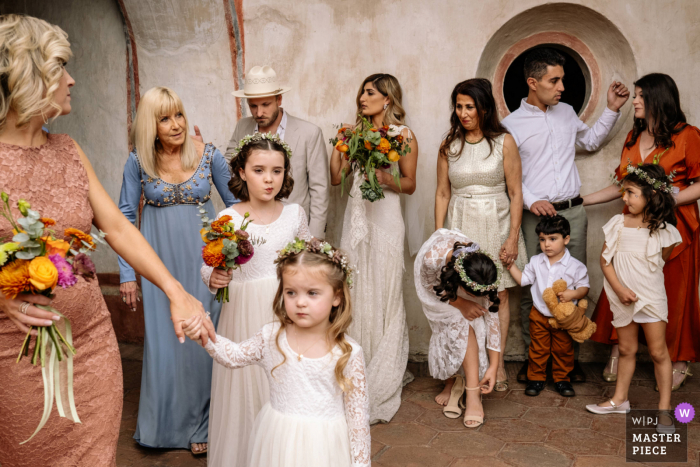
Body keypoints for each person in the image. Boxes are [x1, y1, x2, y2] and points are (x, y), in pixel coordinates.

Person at [0, 14, 213, 465]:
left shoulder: (69, 151)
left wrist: (175, 292)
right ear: (29, 77)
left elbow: (117, 227)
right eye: (61, 69)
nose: (73, 80)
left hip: (92, 342)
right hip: (12, 353)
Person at [117, 86, 238, 453]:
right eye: (164, 118)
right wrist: (127, 274)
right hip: (158, 267)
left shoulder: (209, 154)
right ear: (150, 126)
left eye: (179, 115)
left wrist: (233, 258)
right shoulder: (138, 161)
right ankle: (163, 426)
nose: (175, 125)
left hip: (206, 263)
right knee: (166, 343)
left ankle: (204, 425)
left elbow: (236, 206)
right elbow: (122, 217)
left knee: (204, 338)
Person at [501, 47, 629, 383]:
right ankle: (536, 363)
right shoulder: (510, 125)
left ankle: (565, 364)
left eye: (562, 80)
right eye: (553, 80)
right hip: (534, 219)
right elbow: (507, 173)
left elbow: (590, 141)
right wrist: (530, 200)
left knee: (572, 285)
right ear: (532, 82)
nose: (561, 87)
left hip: (573, 214)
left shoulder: (568, 111)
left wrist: (611, 110)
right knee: (535, 288)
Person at [185, 238, 370, 467]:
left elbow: (358, 420)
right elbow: (233, 356)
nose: (300, 302)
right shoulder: (271, 337)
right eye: (291, 292)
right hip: (278, 441)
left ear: (336, 297)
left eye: (312, 293)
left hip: (325, 448)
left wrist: (361, 463)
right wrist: (205, 334)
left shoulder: (348, 353)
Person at [584, 73, 700, 390]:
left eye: (639, 95)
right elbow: (623, 185)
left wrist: (667, 197)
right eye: (634, 95)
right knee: (623, 283)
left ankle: (680, 358)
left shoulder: (689, 135)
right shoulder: (633, 139)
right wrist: (581, 200)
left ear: (657, 99)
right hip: (633, 225)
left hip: (675, 227)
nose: (634, 101)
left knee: (674, 293)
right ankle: (620, 349)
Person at [202, 133, 311, 467]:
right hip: (244, 314)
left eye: (277, 171)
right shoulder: (229, 219)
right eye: (260, 170)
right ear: (242, 172)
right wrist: (214, 277)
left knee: (285, 382)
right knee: (248, 387)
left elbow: (307, 260)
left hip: (285, 311)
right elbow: (208, 267)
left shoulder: (295, 215)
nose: (269, 179)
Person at [330, 73, 419, 423]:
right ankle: (354, 361)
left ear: (387, 99)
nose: (362, 98)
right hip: (356, 218)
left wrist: (384, 177)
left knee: (384, 288)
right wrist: (338, 149)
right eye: (362, 92)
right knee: (354, 287)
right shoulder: (351, 133)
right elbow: (337, 179)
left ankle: (384, 368)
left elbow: (410, 184)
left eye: (370, 93)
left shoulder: (403, 136)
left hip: (385, 220)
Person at [435, 78, 526, 396]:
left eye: (469, 106)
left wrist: (512, 237)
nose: (463, 113)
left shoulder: (504, 142)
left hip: (497, 222)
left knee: (497, 294)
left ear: (484, 108)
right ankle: (465, 365)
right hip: (461, 224)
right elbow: (443, 192)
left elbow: (516, 193)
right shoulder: (450, 145)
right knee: (463, 292)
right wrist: (441, 237)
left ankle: (496, 364)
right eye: (458, 106)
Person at [586, 164, 681, 434]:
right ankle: (619, 400)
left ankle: (664, 411)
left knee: (657, 352)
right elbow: (605, 263)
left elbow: (658, 264)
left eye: (630, 193)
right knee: (626, 350)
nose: (624, 198)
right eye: (624, 192)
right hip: (621, 297)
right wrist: (620, 289)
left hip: (650, 298)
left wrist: (638, 289)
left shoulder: (665, 231)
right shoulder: (618, 223)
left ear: (651, 195)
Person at [220, 65, 329, 239]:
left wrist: (314, 236)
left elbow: (320, 189)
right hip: (253, 226)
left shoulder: (309, 132)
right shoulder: (243, 126)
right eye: (253, 106)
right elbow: (227, 167)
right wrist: (205, 154)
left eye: (265, 104)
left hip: (294, 227)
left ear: (279, 99)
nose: (259, 112)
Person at [414, 228, 502, 428]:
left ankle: (469, 392)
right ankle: (455, 383)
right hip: (434, 285)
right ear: (459, 283)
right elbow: (429, 285)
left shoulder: (485, 272)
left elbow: (493, 320)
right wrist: (459, 302)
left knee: (470, 321)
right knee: (456, 319)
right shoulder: (432, 259)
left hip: (457, 279)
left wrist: (494, 366)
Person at [508, 215, 590, 397]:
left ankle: (562, 380)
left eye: (553, 239)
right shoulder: (536, 261)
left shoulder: (575, 266)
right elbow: (523, 280)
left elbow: (584, 287)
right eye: (543, 239)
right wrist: (510, 265)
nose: (547, 244)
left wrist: (573, 294)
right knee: (538, 349)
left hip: (563, 318)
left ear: (566, 239)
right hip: (539, 315)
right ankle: (536, 378)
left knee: (563, 350)